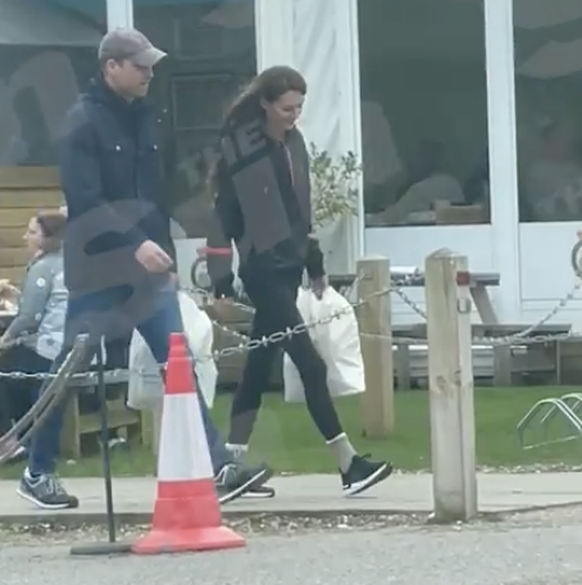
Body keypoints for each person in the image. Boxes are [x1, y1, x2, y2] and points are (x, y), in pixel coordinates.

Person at [17, 28, 271, 510]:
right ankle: (37, 470)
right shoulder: (80, 124)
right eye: (140, 66)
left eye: (151, 66)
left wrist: (165, 257)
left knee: (178, 362)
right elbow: (86, 203)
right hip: (98, 270)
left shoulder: (145, 120)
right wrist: (136, 245)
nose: (149, 74)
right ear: (111, 66)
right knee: (70, 368)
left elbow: (155, 198)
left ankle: (216, 462)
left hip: (148, 272)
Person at [207, 65, 393, 495]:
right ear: (265, 104)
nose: (294, 116)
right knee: (310, 364)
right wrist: (220, 280)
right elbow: (223, 217)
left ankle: (229, 466)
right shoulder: (242, 151)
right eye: (287, 108)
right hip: (262, 272)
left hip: (288, 268)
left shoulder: (293, 145)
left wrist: (314, 263)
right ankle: (348, 464)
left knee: (257, 368)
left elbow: (299, 211)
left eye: (299, 108)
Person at [0, 211, 68, 460]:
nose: (24, 237)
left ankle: (8, 442)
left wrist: (4, 339)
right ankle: (24, 438)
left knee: (5, 369)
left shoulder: (43, 267)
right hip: (73, 348)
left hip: (48, 349)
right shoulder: (70, 263)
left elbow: (29, 318)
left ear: (48, 238)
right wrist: (19, 296)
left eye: (31, 232)